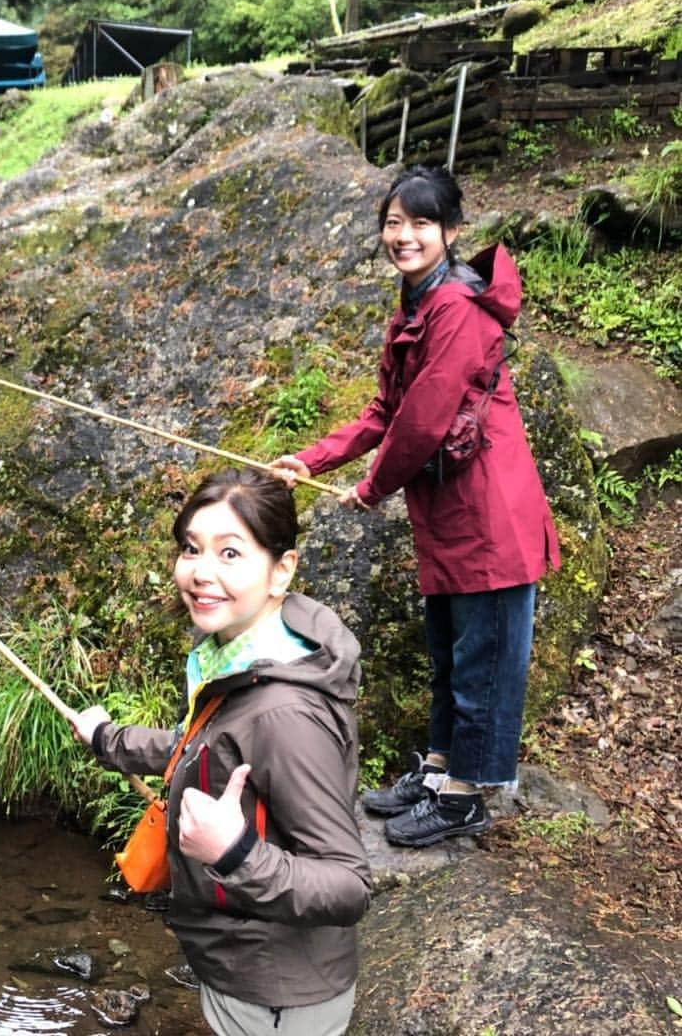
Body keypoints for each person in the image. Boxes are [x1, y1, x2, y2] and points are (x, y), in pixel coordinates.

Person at [270, 165, 560, 848]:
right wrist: (309, 461)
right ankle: (437, 772)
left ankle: (465, 796)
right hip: (450, 509)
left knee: (482, 656)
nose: (404, 235)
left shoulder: (456, 308)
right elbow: (385, 411)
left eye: (421, 222)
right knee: (449, 652)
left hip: (490, 513)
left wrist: (370, 488)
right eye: (394, 222)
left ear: (451, 231)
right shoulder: (414, 304)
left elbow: (425, 419)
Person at [70, 466, 371, 1036]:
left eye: (230, 554)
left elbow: (348, 884)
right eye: (191, 549)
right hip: (239, 967)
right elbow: (207, 748)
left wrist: (234, 853)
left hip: (277, 997)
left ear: (281, 570)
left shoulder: (285, 713)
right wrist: (110, 741)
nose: (202, 573)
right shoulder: (241, 657)